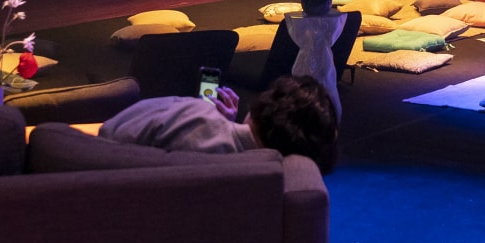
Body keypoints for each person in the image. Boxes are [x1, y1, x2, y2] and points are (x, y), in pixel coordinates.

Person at [99, 74, 340, 172]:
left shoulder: (193, 114)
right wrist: (227, 127)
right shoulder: (260, 177)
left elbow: (111, 132)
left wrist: (212, 120)